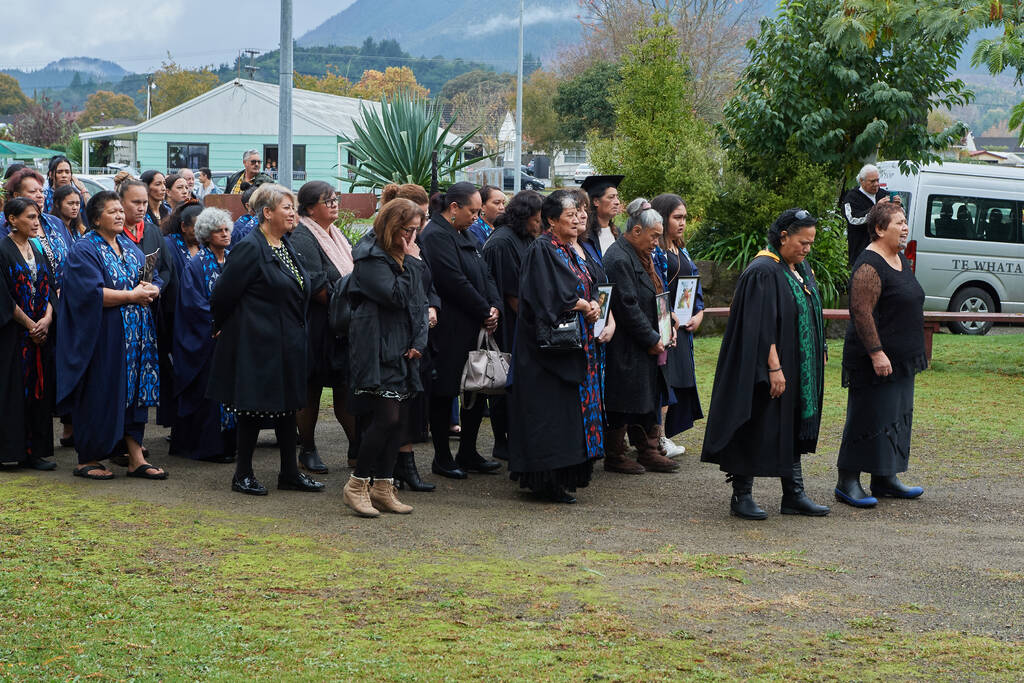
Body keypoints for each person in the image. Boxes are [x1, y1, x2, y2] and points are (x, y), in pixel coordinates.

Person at [701, 208, 830, 520]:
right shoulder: (763, 270)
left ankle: (794, 494)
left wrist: (819, 345)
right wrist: (773, 367)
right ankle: (741, 494)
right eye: (803, 242)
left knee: (792, 424)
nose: (807, 248)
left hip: (797, 367)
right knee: (756, 423)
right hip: (765, 369)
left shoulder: (797, 266)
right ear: (783, 236)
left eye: (811, 243)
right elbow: (759, 326)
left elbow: (809, 309)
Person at [207, 183, 322, 496]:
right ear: (267, 212)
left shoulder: (285, 244)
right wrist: (224, 325)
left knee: (286, 407)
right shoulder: (251, 247)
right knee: (253, 409)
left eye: (293, 207)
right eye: (286, 207)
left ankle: (289, 473)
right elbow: (222, 294)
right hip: (257, 342)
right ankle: (242, 474)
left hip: (288, 341)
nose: (292, 213)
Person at [57, 191, 167, 481]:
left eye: (121, 210)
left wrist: (153, 287)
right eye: (112, 211)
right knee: (101, 391)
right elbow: (89, 293)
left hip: (136, 338)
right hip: (104, 337)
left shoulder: (128, 246)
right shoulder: (85, 249)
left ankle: (135, 457)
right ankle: (88, 458)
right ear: (96, 218)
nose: (120, 215)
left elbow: (148, 275)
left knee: (133, 395)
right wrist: (132, 295)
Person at [507, 191, 603, 503]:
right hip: (545, 351)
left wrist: (597, 304)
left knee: (569, 412)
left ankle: (566, 475)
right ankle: (546, 480)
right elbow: (545, 293)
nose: (578, 218)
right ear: (551, 220)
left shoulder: (572, 249)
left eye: (579, 213)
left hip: (577, 344)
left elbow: (591, 283)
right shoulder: (542, 249)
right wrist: (581, 304)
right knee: (551, 413)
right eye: (570, 214)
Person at [835, 201, 927, 507]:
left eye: (904, 222)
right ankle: (847, 482)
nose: (904, 228)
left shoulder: (899, 258)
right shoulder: (869, 265)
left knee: (895, 417)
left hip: (901, 358)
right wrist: (876, 352)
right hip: (873, 359)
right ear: (878, 229)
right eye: (898, 223)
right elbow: (861, 312)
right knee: (867, 417)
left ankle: (885, 477)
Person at [343, 198, 430, 516]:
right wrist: (413, 262)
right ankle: (357, 484)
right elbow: (397, 297)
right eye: (409, 230)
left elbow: (419, 302)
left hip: (404, 347)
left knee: (401, 422)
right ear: (393, 227)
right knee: (386, 418)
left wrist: (419, 341)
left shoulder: (406, 252)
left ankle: (383, 485)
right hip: (378, 349)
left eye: (416, 230)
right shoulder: (370, 258)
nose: (413, 237)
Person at [418, 181, 503, 479]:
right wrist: (483, 310)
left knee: (476, 390)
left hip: (475, 327)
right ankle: (442, 457)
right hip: (450, 329)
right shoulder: (435, 236)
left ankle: (468, 450)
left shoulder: (464, 233)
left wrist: (494, 307)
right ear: (453, 208)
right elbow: (452, 281)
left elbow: (486, 274)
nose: (476, 218)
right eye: (473, 211)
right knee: (445, 393)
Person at [602, 198, 679, 475]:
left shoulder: (641, 253)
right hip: (628, 344)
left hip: (648, 340)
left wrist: (669, 318)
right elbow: (626, 307)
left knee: (648, 395)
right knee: (624, 400)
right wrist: (651, 338)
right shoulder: (618, 257)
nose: (656, 242)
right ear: (636, 231)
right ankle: (615, 453)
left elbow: (656, 293)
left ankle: (648, 449)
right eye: (654, 236)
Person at [289, 181, 356, 474]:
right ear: (310, 207)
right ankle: (308, 449)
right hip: (316, 322)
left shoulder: (336, 233)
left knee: (344, 385)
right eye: (327, 201)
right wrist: (349, 302)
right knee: (312, 387)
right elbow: (315, 285)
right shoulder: (304, 234)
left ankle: (357, 447)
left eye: (335, 199)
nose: (334, 204)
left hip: (343, 322)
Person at [380, 183, 437, 491]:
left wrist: (433, 306)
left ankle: (405, 467)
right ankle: (381, 474)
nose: (420, 230)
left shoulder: (414, 245)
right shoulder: (376, 251)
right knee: (390, 412)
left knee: (408, 408)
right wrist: (412, 262)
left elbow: (429, 284)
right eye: (415, 225)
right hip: (391, 340)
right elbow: (398, 293)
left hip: (416, 335)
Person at [481, 190, 543, 461]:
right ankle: (502, 441)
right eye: (537, 219)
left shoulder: (524, 237)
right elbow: (511, 294)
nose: (540, 224)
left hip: (523, 321)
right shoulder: (502, 242)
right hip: (509, 325)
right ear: (525, 216)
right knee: (502, 384)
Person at [172, 207, 237, 463]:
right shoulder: (196, 264)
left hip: (231, 339)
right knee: (208, 394)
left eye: (226, 230)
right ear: (206, 235)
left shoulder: (233, 259)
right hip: (207, 341)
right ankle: (207, 447)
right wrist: (217, 324)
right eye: (218, 231)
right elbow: (193, 303)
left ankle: (229, 444)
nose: (225, 234)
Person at [0, 198, 56, 470]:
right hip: (13, 334)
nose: (36, 223)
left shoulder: (37, 248)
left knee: (39, 390)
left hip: (38, 333)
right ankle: (12, 450)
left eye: (37, 217)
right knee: (11, 390)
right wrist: (29, 325)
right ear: (12, 219)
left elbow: (49, 286)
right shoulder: (2, 249)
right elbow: (4, 298)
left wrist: (45, 320)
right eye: (30, 217)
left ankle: (36, 451)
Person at [651, 193, 704, 458]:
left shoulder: (681, 248)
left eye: (684, 217)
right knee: (665, 380)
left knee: (679, 380)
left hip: (684, 327)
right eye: (677, 217)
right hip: (664, 325)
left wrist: (700, 313)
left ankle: (666, 435)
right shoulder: (656, 251)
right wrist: (669, 317)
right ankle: (658, 438)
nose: (682, 222)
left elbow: (694, 287)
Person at [161, 201, 203, 434]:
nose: (200, 232)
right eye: (196, 227)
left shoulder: (208, 246)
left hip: (202, 323)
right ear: (184, 226)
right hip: (176, 320)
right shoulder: (169, 245)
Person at [1, 168, 74, 292]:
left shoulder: (54, 222)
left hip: (64, 297)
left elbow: (73, 255)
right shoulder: (4, 224)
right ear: (17, 196)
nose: (40, 195)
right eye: (33, 191)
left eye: (41, 191)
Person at [842, 163, 890, 265]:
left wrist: (897, 206)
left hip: (883, 252)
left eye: (878, 180)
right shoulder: (851, 197)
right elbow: (853, 219)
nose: (876, 184)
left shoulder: (883, 194)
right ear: (861, 181)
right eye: (872, 181)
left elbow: (895, 218)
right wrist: (876, 208)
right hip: (861, 252)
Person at [578, 175, 624, 265]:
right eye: (611, 197)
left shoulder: (616, 232)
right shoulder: (585, 235)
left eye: (617, 197)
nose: (617, 202)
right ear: (596, 202)